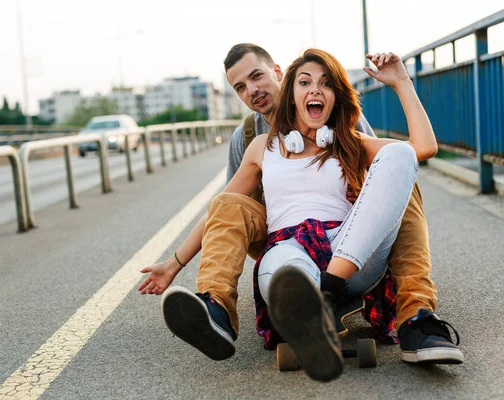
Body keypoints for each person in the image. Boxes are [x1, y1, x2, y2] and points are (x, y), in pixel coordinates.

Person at [138, 45, 463, 374]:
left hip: (350, 250)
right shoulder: (255, 144)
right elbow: (221, 215)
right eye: (305, 83)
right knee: (235, 210)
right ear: (292, 92)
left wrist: (402, 82)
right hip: (285, 247)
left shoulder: (347, 139)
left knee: (400, 164)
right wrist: (173, 264)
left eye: (324, 84)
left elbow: (417, 153)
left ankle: (414, 317)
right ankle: (220, 309)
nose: (252, 90)